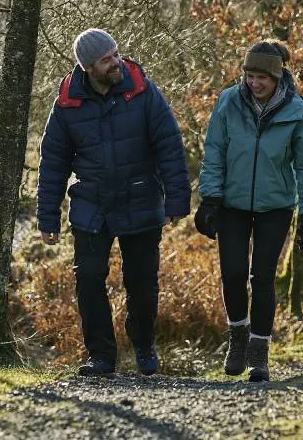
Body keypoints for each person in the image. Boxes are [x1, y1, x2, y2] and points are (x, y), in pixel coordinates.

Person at [37, 28, 191, 377]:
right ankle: (101, 357)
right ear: (88, 67)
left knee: (142, 282)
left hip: (141, 197)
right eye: (106, 59)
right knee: (88, 278)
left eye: (116, 54)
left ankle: (143, 345)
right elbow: (53, 162)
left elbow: (169, 143)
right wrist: (48, 218)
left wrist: (177, 200)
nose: (116, 62)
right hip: (91, 204)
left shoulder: (142, 90)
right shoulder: (67, 103)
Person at [194, 39, 303, 382]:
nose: (254, 83)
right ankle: (238, 337)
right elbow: (214, 153)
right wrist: (209, 199)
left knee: (263, 278)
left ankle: (259, 353)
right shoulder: (228, 103)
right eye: (249, 76)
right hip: (232, 204)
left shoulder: (299, 112)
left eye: (261, 78)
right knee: (233, 274)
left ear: (277, 76)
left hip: (276, 207)